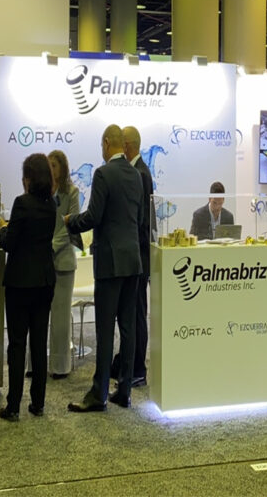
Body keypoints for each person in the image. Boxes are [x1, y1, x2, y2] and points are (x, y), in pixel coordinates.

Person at [64, 125, 144, 412]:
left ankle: (99, 394)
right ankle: (124, 390)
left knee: (105, 329)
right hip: (132, 260)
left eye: (101, 145)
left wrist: (69, 221)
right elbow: (139, 219)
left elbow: (93, 217)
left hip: (110, 263)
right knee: (128, 328)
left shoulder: (102, 174)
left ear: (107, 143)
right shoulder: (136, 175)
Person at [0, 153, 56, 422]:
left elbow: (10, 243)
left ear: (29, 178)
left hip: (20, 282)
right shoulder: (51, 204)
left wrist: (2, 229)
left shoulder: (21, 203)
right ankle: (38, 402)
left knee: (17, 344)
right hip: (44, 281)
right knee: (39, 343)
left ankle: (13, 406)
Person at [110, 126, 154, 388]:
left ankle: (138, 368)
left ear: (126, 145)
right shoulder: (138, 171)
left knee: (137, 313)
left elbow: (142, 221)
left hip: (139, 255)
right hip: (136, 254)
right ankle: (128, 364)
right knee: (131, 312)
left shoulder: (141, 174)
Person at [47, 150, 81, 380]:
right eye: (48, 165)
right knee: (38, 318)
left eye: (55, 165)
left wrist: (51, 245)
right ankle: (34, 365)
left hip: (63, 261)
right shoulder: (41, 191)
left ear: (63, 168)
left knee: (60, 319)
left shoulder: (72, 192)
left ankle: (60, 367)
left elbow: (72, 224)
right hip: (42, 261)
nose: (51, 169)